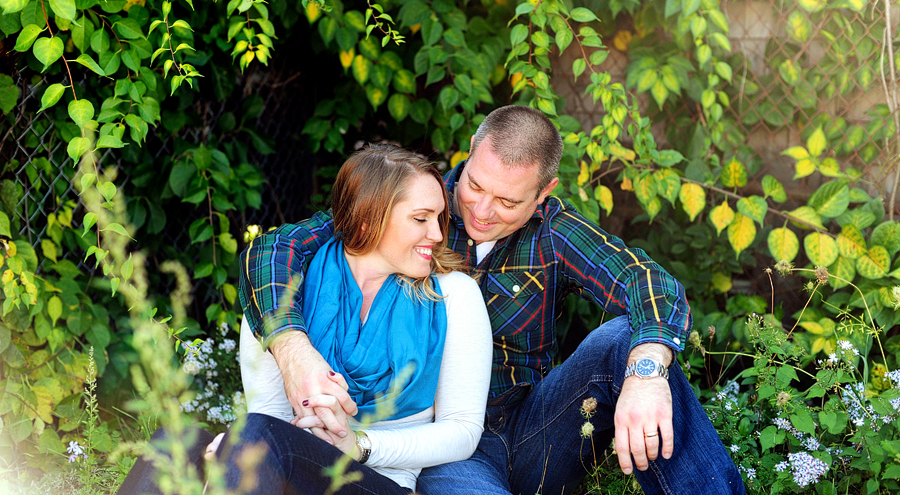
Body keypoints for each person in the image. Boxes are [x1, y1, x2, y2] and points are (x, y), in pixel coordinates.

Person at [240, 106, 746, 495]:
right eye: (475, 186)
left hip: (533, 425)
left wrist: (647, 373)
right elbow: (275, 251)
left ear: (543, 194)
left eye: (507, 202)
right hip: (449, 446)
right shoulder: (417, 208)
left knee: (630, 343)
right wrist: (291, 348)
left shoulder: (554, 232)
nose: (481, 211)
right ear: (471, 151)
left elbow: (649, 284)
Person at [119, 144, 492, 494]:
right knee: (174, 443)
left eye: (439, 217)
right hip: (292, 466)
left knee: (255, 436)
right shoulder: (281, 290)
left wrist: (358, 445)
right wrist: (237, 449)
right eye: (421, 218)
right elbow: (269, 416)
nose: (439, 233)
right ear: (367, 222)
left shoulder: (453, 294)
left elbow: (461, 430)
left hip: (378, 480)